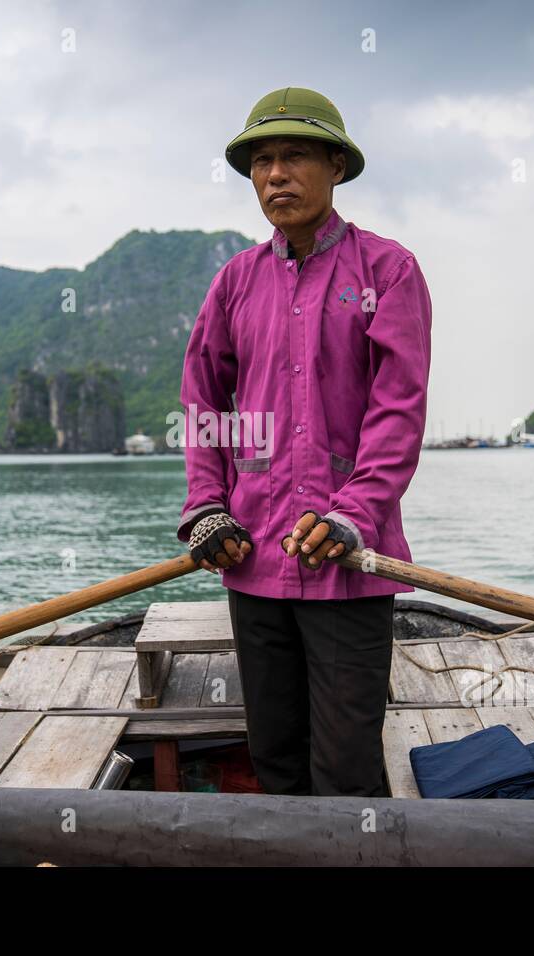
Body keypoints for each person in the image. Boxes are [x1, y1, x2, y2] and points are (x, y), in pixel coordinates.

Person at [176, 87, 433, 797]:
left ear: (337, 167)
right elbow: (203, 400)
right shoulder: (234, 281)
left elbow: (398, 407)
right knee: (275, 755)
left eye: (293, 157)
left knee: (347, 766)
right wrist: (207, 506)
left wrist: (353, 511)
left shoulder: (388, 272)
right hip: (253, 557)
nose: (274, 176)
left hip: (348, 564)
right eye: (261, 161)